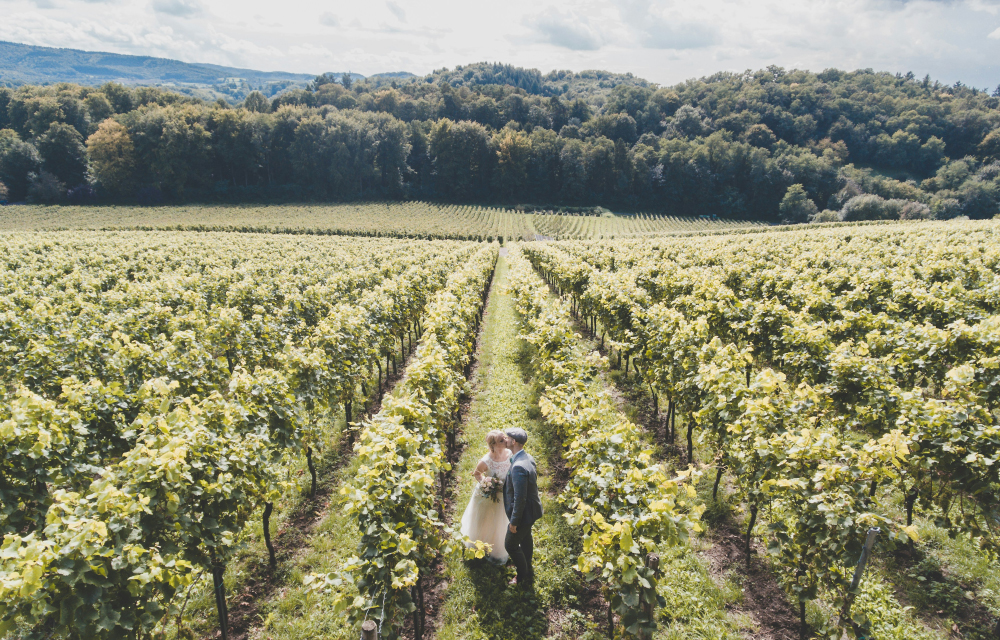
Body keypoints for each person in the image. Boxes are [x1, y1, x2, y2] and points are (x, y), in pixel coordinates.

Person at [459, 430, 511, 563]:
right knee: (486, 520)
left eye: (505, 437)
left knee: (500, 521)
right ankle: (481, 544)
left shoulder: (510, 454)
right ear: (493, 445)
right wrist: (487, 483)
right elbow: (477, 474)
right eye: (501, 440)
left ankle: (498, 547)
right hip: (489, 495)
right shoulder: (486, 461)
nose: (506, 440)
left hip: (504, 495)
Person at [502, 427, 542, 588]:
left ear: (513, 442)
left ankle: (522, 576)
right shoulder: (527, 457)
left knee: (510, 545)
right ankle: (528, 565)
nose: (504, 439)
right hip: (532, 510)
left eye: (507, 438)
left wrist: (514, 522)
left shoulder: (518, 466)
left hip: (524, 513)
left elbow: (520, 498)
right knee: (526, 538)